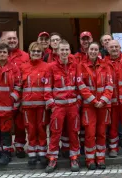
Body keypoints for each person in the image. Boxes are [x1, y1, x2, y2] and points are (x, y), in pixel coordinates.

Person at [44, 39, 80, 173]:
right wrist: (52, 105)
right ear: (57, 51)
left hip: (72, 106)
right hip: (58, 107)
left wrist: (78, 103)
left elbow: (79, 85)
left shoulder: (75, 65)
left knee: (73, 132)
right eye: (62, 50)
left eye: (66, 49)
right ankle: (52, 159)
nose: (64, 52)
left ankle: (74, 157)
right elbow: (47, 88)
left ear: (69, 51)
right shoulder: (51, 67)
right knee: (55, 133)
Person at [77, 42, 113, 170]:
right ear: (87, 51)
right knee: (90, 133)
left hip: (103, 105)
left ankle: (101, 159)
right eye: (91, 49)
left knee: (102, 133)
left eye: (95, 49)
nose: (93, 51)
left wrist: (102, 100)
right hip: (89, 106)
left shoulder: (105, 65)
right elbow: (81, 86)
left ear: (99, 51)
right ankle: (90, 159)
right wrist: (93, 101)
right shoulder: (81, 65)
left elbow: (109, 85)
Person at [20, 42, 49, 165]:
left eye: (38, 51)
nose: (36, 53)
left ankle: (42, 153)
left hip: (42, 105)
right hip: (27, 106)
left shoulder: (47, 67)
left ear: (42, 53)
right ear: (29, 53)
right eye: (33, 51)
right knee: (30, 129)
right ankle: (32, 153)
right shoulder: (23, 67)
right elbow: (19, 86)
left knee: (41, 128)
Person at [0, 43, 21, 165]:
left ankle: (6, 153)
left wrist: (12, 98)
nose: (2, 54)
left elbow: (18, 85)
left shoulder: (14, 68)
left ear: (8, 54)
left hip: (7, 107)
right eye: (0, 52)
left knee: (5, 132)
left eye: (4, 52)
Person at [4, 31, 29, 158]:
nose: (12, 40)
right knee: (5, 124)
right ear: (4, 40)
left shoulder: (25, 56)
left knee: (20, 124)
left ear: (18, 40)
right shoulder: (0, 55)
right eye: (9, 39)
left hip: (21, 96)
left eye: (14, 38)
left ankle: (19, 146)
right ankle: (6, 148)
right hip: (4, 98)